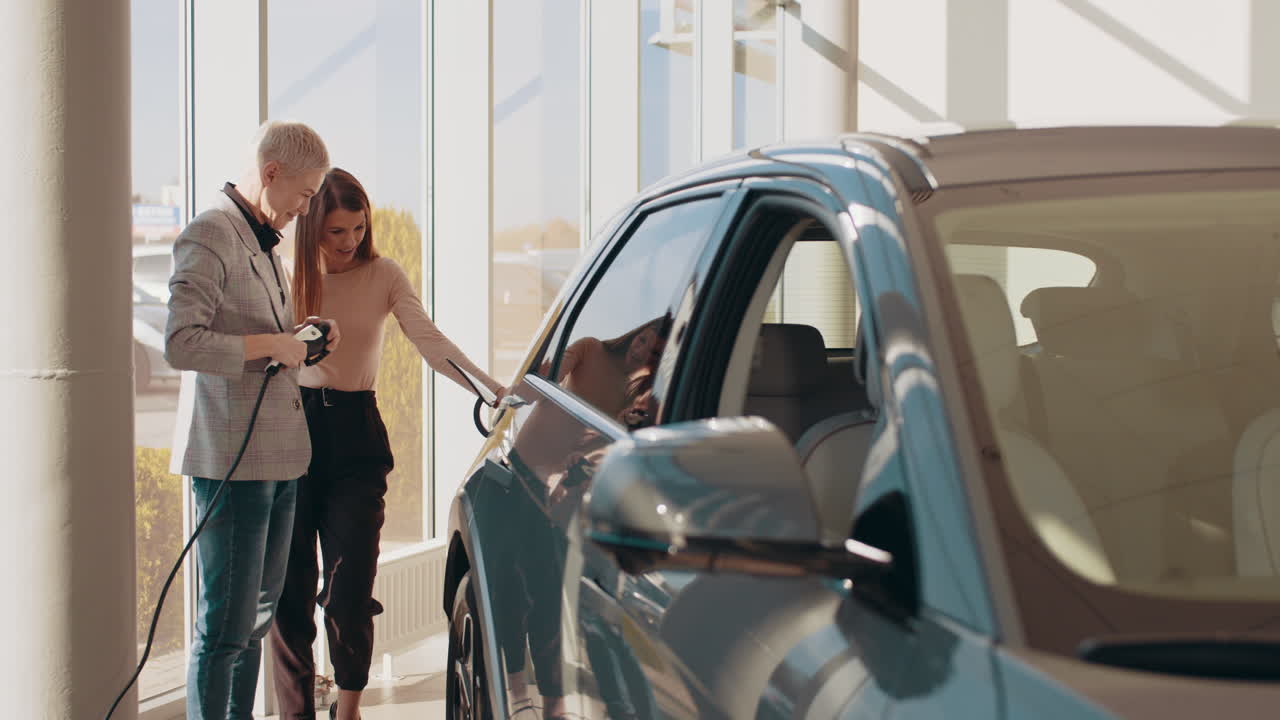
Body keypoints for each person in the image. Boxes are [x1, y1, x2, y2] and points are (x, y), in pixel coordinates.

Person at [269, 168, 505, 720]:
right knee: (291, 592)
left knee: (350, 589)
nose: (350, 241)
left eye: (358, 227)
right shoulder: (285, 275)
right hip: (290, 433)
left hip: (355, 438)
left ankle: (348, 709)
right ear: (311, 232)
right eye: (336, 232)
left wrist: (491, 389)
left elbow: (430, 342)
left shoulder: (384, 274)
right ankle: (295, 711)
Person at [165, 120, 340, 720]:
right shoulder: (209, 234)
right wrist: (273, 343)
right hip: (231, 460)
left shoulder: (262, 238)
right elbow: (182, 343)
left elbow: (256, 336)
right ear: (270, 175)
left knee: (257, 623)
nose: (306, 207)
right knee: (225, 629)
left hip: (278, 456)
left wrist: (302, 340)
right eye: (305, 193)